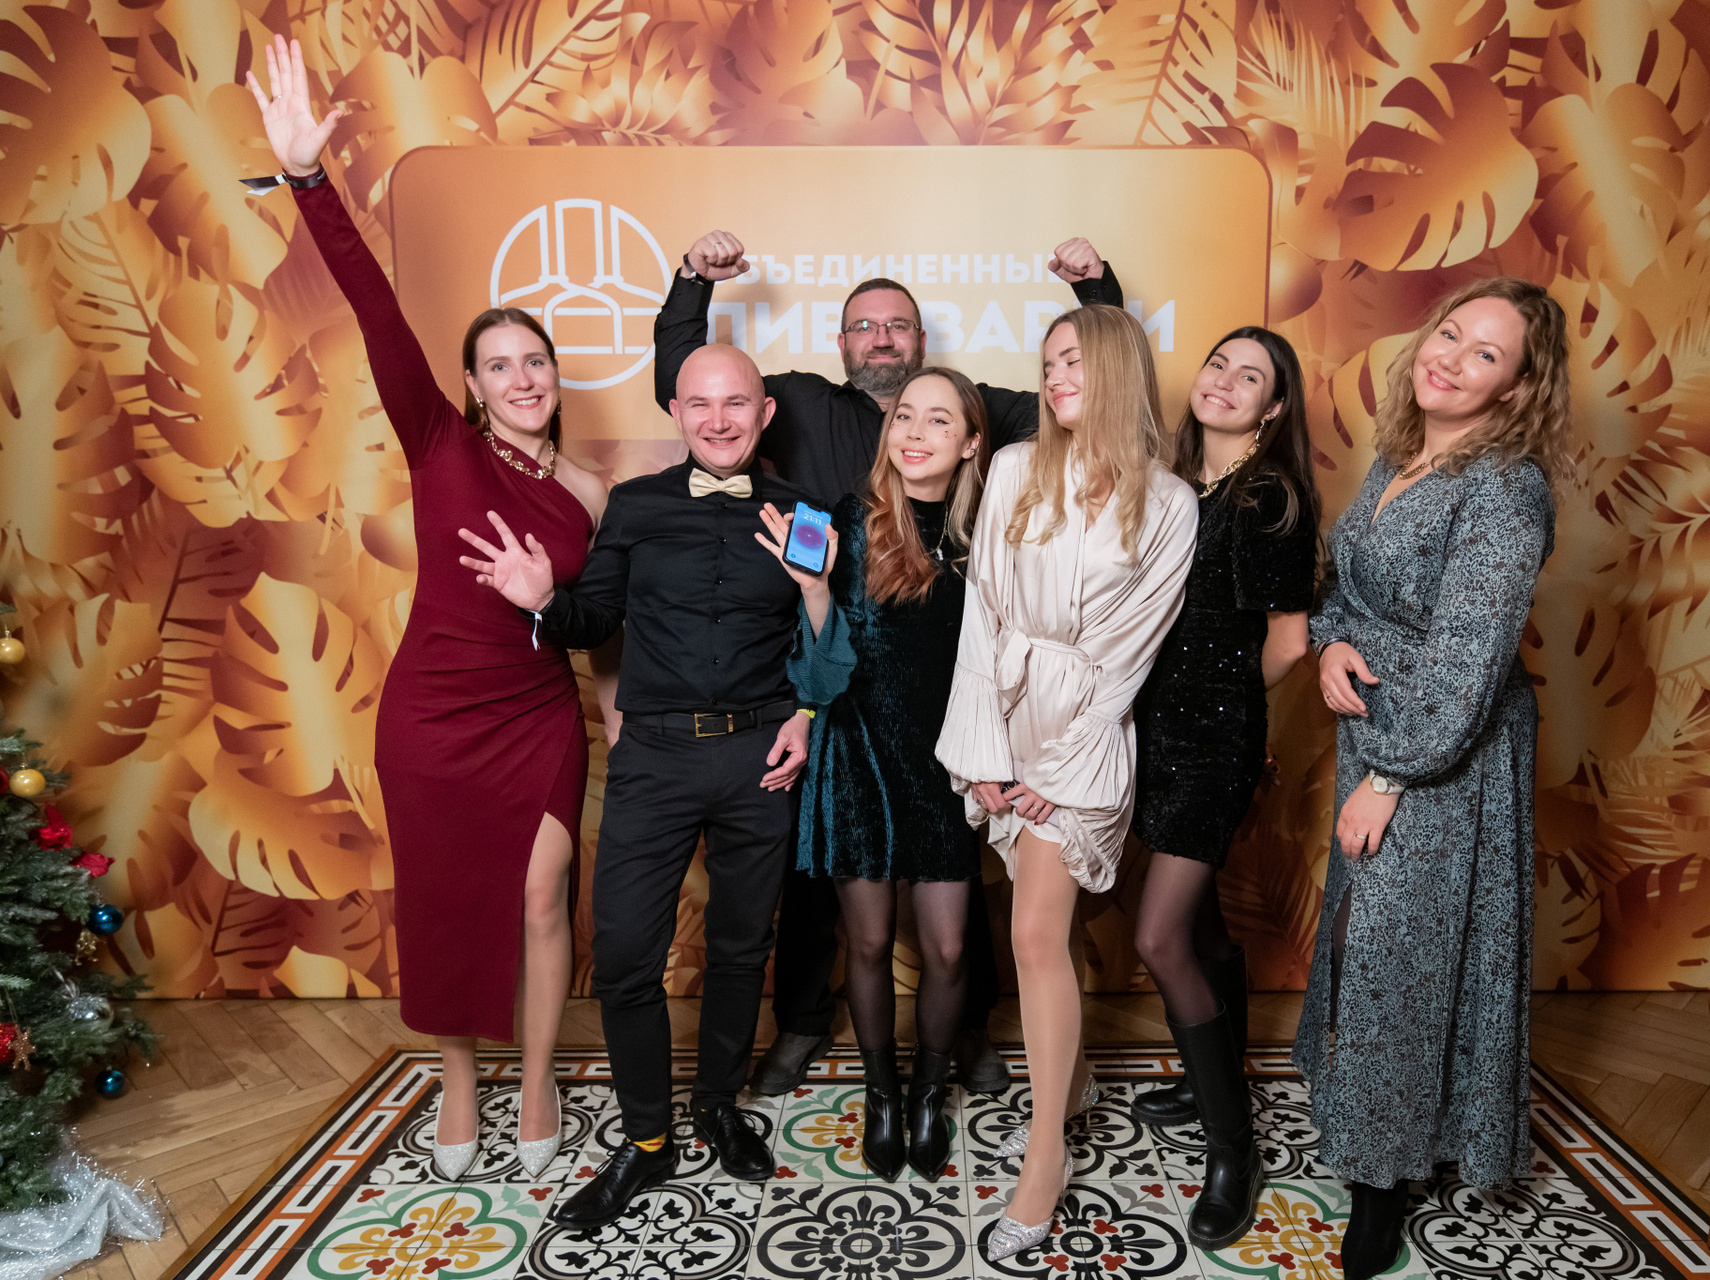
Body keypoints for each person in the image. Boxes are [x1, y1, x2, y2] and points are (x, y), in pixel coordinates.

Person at [244, 36, 615, 1183]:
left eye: (535, 360)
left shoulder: (592, 492)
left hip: (536, 715)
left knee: (545, 894)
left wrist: (584, 653)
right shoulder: (442, 444)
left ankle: (538, 1077)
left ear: (554, 375)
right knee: (448, 906)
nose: (522, 377)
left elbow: (598, 618)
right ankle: (459, 1076)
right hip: (434, 718)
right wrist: (309, 177)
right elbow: (373, 307)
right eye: (499, 364)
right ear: (471, 386)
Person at [656, 231, 1127, 1097]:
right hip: (835, 687)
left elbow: (1091, 401)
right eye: (865, 327)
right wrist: (692, 283)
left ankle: (965, 1035)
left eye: (898, 326)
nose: (881, 339)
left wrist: (1097, 296)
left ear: (923, 344)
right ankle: (805, 1022)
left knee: (958, 911)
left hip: (950, 710)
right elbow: (682, 387)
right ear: (841, 344)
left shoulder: (978, 409)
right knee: (819, 888)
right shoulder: (801, 401)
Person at [459, 343, 815, 1228]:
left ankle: (719, 1105)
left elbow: (825, 630)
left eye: (737, 403)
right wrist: (543, 598)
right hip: (653, 758)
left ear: (765, 414)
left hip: (759, 759)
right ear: (677, 413)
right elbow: (596, 619)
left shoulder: (803, 510)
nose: (719, 420)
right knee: (621, 954)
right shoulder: (635, 505)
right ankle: (648, 1138)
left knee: (741, 948)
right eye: (701, 404)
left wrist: (808, 716)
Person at [1297, 278, 1571, 1280]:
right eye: (1450, 333)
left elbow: (1468, 664)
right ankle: (1380, 1130)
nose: (1451, 357)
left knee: (1396, 955)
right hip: (1378, 730)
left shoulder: (1506, 490)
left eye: (1485, 353)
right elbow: (1348, 590)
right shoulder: (1402, 454)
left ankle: (1382, 1184)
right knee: (1373, 944)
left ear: (1519, 386)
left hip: (1443, 757)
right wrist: (1330, 644)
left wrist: (1392, 777)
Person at [937, 305, 1198, 1261]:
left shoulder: (1170, 502)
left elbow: (1132, 657)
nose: (1054, 378)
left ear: (1120, 370)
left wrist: (1059, 765)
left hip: (1088, 734)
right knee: (1055, 921)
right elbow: (983, 617)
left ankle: (1045, 1155)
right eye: (1048, 362)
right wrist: (985, 749)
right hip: (1009, 716)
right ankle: (1074, 1078)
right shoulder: (1012, 469)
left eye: (1075, 361)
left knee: (1035, 932)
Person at [756, 367, 992, 1183]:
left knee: (949, 947)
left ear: (971, 442)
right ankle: (883, 1094)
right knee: (864, 939)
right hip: (857, 749)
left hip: (949, 757)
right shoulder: (839, 521)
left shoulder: (991, 533)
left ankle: (929, 1091)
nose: (915, 432)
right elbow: (823, 674)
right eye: (905, 417)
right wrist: (815, 591)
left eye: (939, 420)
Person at [1128, 327, 1320, 1247]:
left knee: (1158, 936)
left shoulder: (1268, 495)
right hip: (1148, 736)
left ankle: (1232, 1151)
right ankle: (1216, 1075)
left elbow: (1288, 642)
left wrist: (1234, 717)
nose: (1226, 383)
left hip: (1210, 743)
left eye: (1251, 378)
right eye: (1218, 365)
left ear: (1273, 408)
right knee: (1202, 928)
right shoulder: (1174, 483)